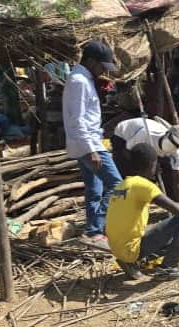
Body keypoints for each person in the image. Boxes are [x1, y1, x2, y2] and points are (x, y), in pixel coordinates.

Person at [106, 143, 179, 280]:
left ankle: (132, 261)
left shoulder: (122, 185)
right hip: (131, 249)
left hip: (117, 248)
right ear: (152, 164)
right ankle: (168, 267)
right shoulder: (144, 185)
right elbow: (178, 210)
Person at [62, 41, 123, 249]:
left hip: (86, 142)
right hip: (88, 144)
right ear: (90, 61)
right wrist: (92, 150)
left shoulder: (83, 79)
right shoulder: (79, 81)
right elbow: (77, 120)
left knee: (94, 189)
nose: (104, 70)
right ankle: (95, 229)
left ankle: (94, 232)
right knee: (117, 185)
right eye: (102, 66)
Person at [112, 118, 179, 202]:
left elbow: (178, 180)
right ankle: (126, 200)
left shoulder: (177, 153)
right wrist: (152, 167)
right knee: (128, 170)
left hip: (147, 146)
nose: (174, 146)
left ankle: (172, 202)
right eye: (173, 141)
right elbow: (130, 153)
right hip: (124, 137)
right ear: (167, 135)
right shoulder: (146, 135)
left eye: (177, 145)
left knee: (168, 171)